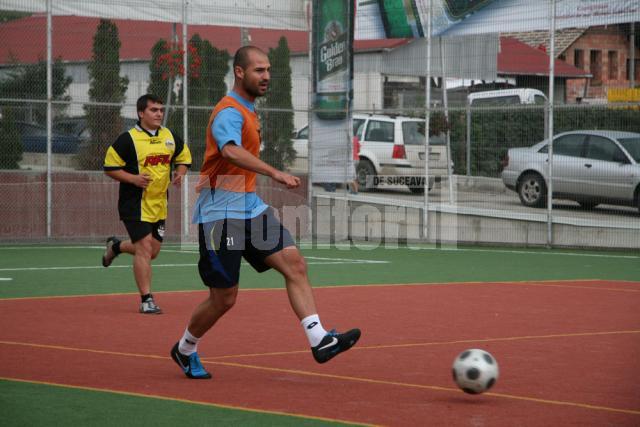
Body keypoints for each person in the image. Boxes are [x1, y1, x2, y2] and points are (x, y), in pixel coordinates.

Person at [170, 46, 361, 379]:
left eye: (268, 69)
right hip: (219, 215)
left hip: (249, 208)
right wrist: (274, 173)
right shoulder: (229, 111)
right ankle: (185, 348)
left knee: (295, 264)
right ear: (240, 72)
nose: (267, 76)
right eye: (259, 70)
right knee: (224, 299)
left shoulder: (248, 110)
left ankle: (319, 341)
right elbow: (230, 151)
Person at [102, 94, 192, 314]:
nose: (159, 113)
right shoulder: (128, 139)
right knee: (144, 248)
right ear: (141, 113)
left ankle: (117, 246)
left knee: (152, 252)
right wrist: (133, 179)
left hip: (159, 203)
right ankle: (147, 300)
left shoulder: (170, 136)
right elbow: (109, 166)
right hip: (134, 204)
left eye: (161, 110)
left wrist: (180, 174)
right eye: (153, 110)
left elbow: (183, 158)